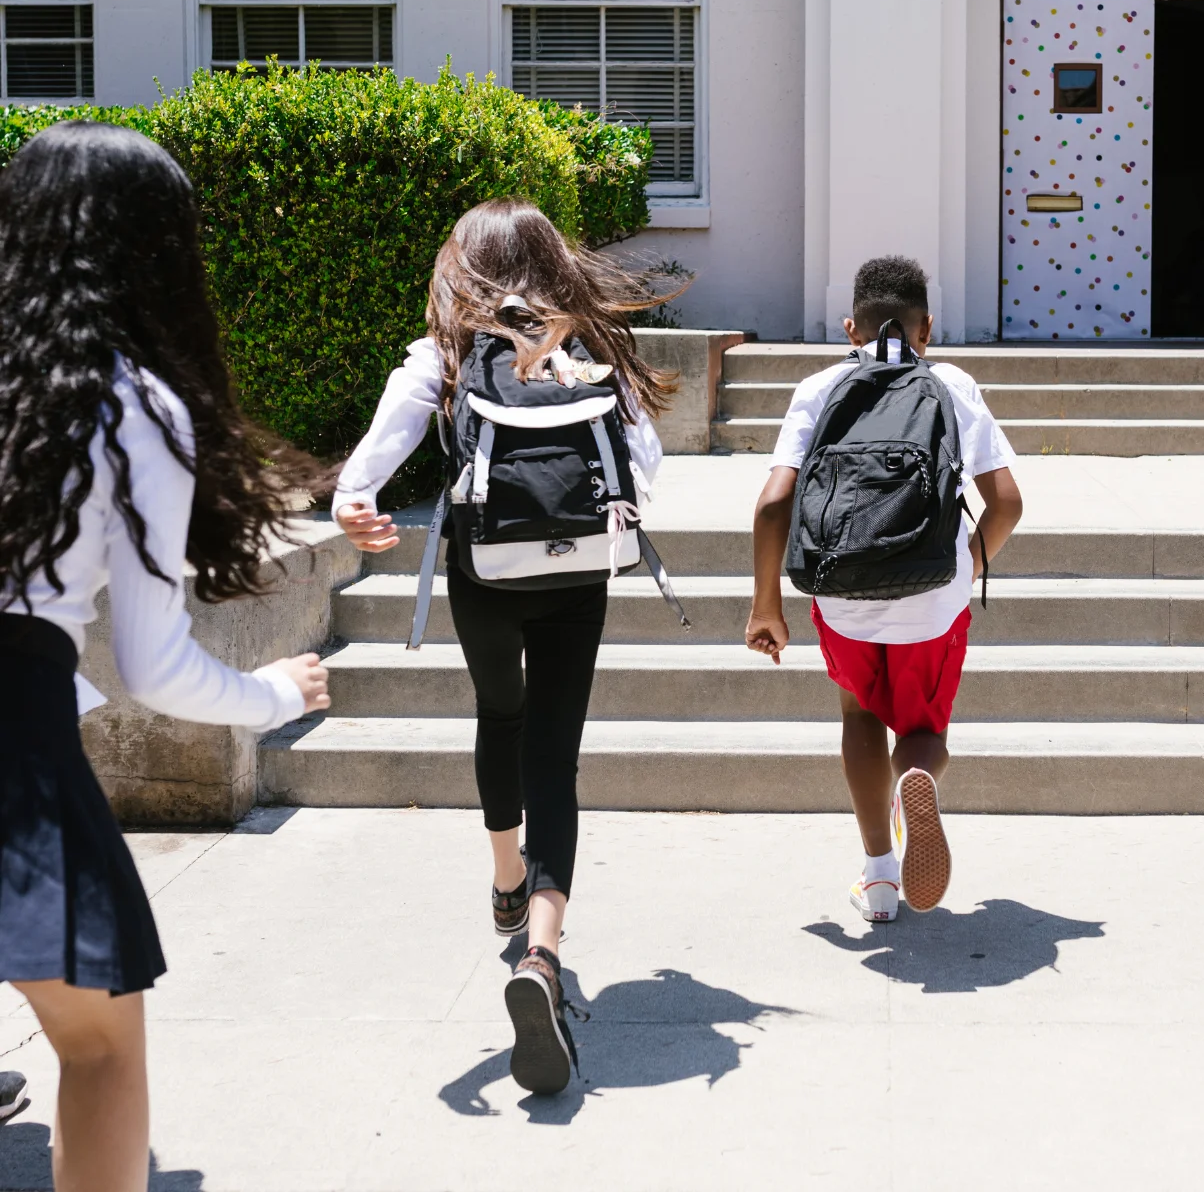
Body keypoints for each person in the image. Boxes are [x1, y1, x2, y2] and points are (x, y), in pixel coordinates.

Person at [0, 122, 331, 1192]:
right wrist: (270, 693)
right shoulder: (131, 404)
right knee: (97, 1048)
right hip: (15, 741)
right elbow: (156, 666)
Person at [333, 198, 674, 1093]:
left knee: (501, 716)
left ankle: (505, 875)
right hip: (578, 572)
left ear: (464, 264)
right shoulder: (594, 347)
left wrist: (355, 503)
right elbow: (643, 469)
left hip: (484, 569)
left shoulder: (443, 352)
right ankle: (543, 957)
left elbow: (376, 454)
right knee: (555, 755)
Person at [745, 256, 1022, 921]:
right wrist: (971, 562)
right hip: (934, 596)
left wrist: (766, 607)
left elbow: (773, 503)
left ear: (850, 327)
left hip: (842, 592)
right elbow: (1007, 502)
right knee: (922, 729)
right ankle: (917, 777)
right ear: (927, 326)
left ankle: (877, 877)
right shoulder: (951, 383)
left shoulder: (819, 386)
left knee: (858, 716)